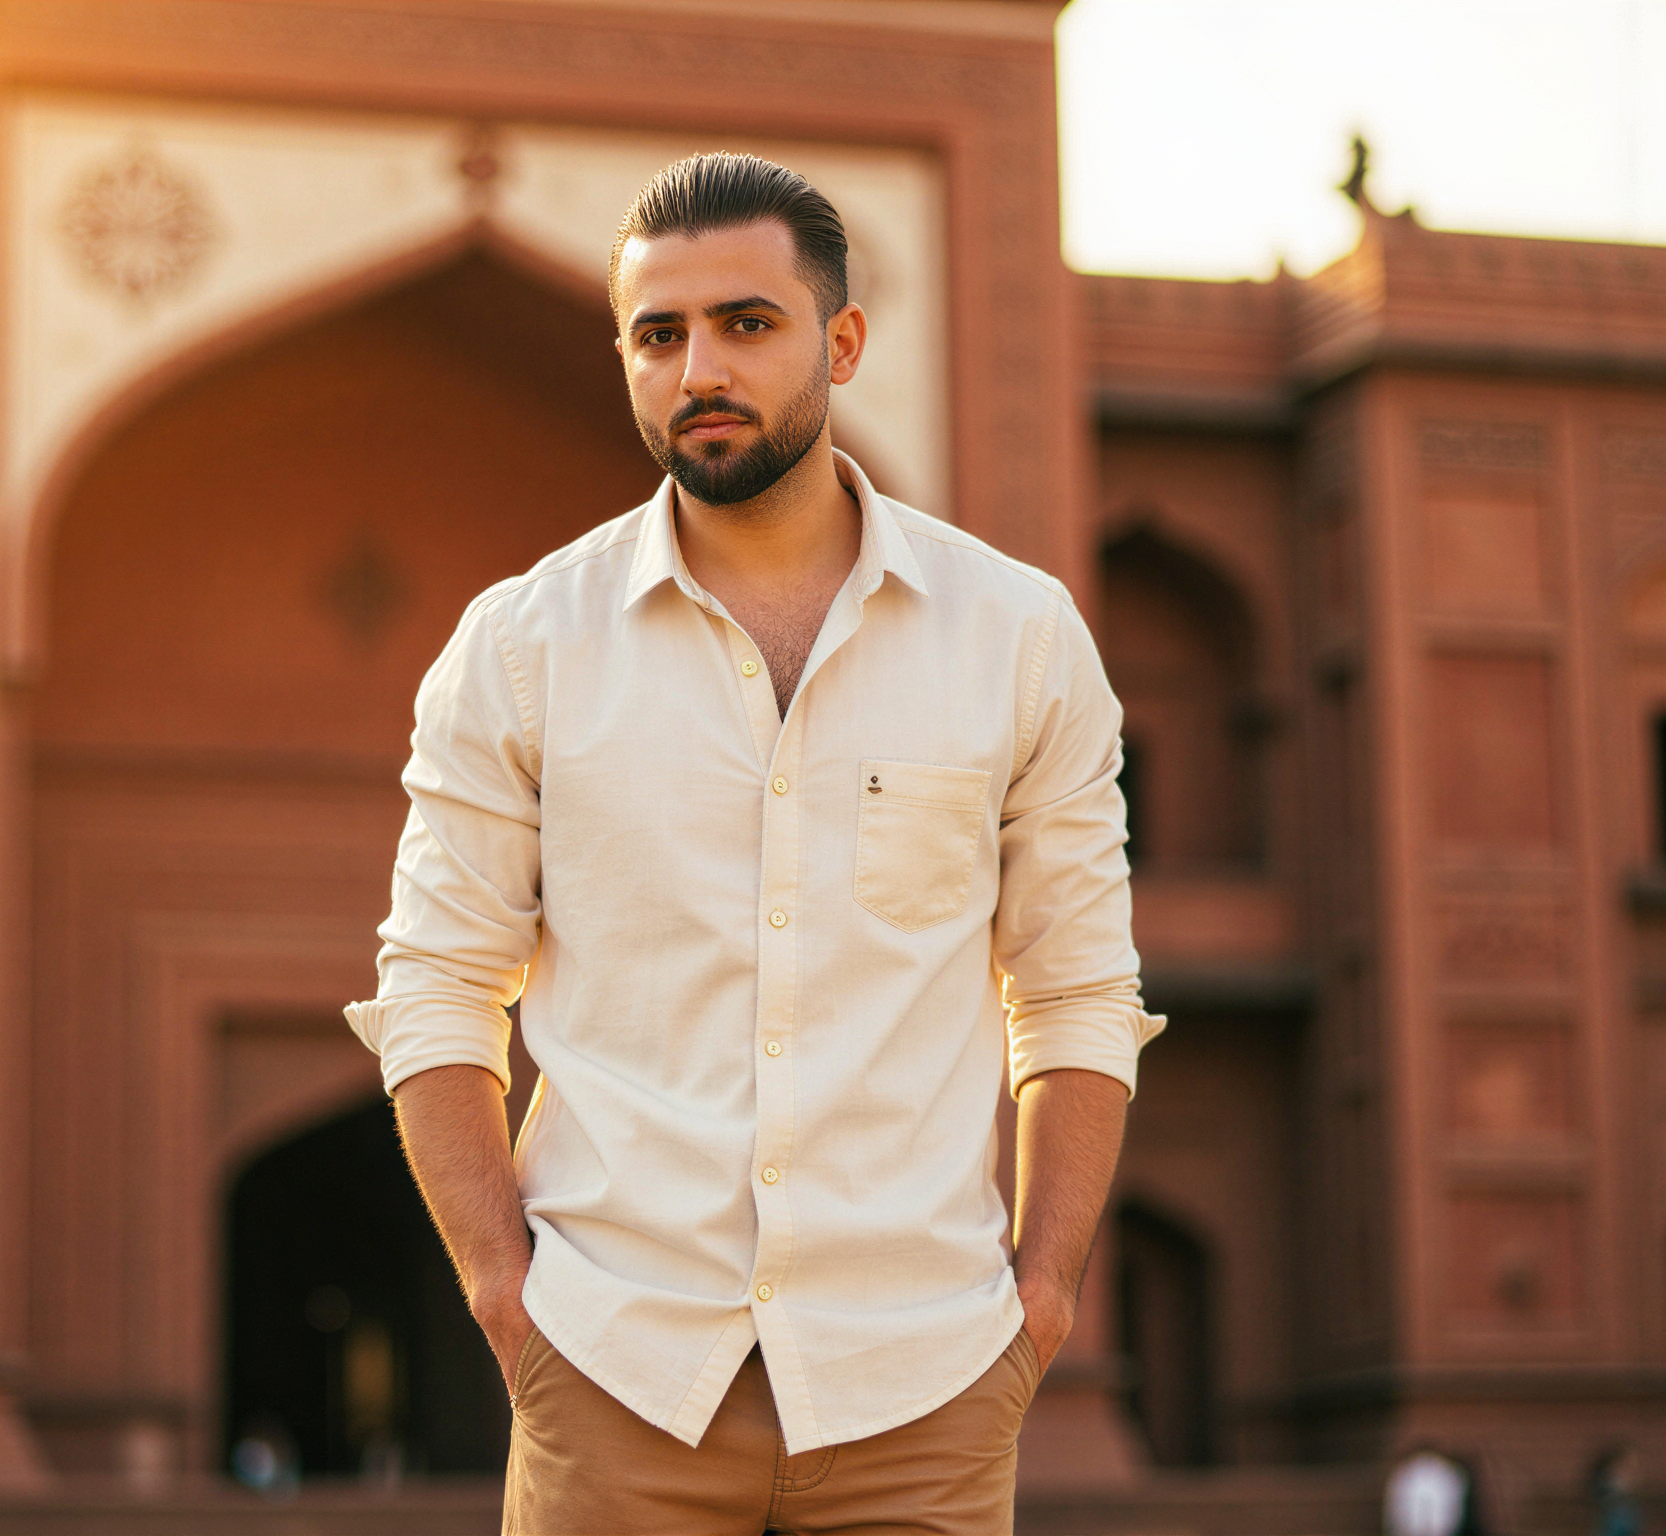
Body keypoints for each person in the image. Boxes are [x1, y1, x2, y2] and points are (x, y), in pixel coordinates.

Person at [344, 152, 1164, 1535]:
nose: (697, 369)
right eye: (657, 335)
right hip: (616, 1374)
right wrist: (502, 1292)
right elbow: (434, 982)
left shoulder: (1013, 637)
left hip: (927, 1382)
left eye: (747, 324)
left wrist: (1045, 1291)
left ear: (842, 341)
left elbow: (1076, 987)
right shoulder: (527, 646)